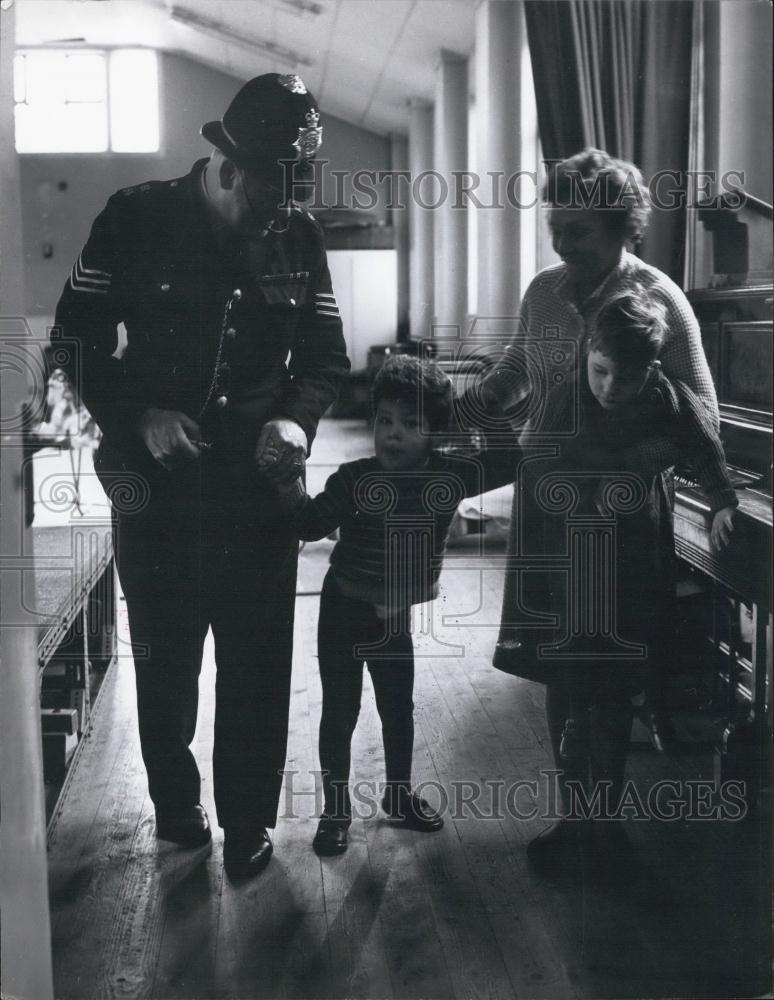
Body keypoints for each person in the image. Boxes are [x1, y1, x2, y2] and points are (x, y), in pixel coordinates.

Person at [53, 74, 350, 879]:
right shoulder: (136, 217)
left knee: (256, 665)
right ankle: (177, 803)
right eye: (275, 183)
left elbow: (325, 358)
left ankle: (249, 821)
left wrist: (296, 417)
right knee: (167, 660)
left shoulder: (299, 236)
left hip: (257, 495)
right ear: (228, 162)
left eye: (301, 183)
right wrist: (136, 411)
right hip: (157, 493)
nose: (287, 202)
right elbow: (70, 344)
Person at [471, 148, 722, 864]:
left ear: (620, 227)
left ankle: (602, 825)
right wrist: (473, 399)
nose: (562, 241)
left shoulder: (658, 297)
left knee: (606, 674)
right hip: (547, 508)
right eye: (556, 224)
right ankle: (575, 819)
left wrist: (630, 467)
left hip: (615, 519)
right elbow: (520, 365)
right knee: (559, 665)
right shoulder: (545, 290)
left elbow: (699, 408)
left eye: (577, 229)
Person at [278, 356, 517, 855]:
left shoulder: (447, 476)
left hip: (393, 619)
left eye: (411, 424)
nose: (393, 434)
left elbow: (507, 461)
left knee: (397, 710)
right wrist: (286, 480)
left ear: (435, 433)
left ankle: (399, 796)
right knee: (340, 712)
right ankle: (335, 811)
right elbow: (308, 524)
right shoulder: (353, 478)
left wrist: (489, 404)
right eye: (385, 420)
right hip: (343, 609)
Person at [534, 290, 737, 800]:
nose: (609, 386)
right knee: (572, 672)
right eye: (600, 370)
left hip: (636, 553)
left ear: (650, 369)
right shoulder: (568, 395)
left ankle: (607, 810)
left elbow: (704, 442)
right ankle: (574, 805)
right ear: (588, 354)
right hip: (574, 554)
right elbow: (538, 458)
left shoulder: (665, 394)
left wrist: (724, 502)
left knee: (621, 676)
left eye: (626, 377)